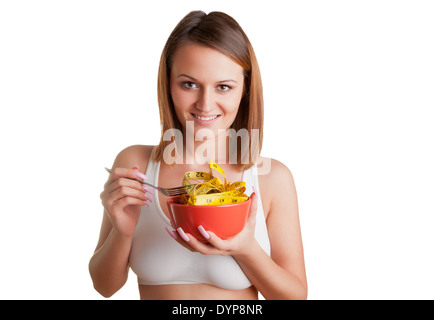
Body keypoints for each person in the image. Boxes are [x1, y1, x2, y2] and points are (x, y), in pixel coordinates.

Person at [89, 10, 307, 300]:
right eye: (189, 84)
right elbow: (105, 286)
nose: (205, 105)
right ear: (168, 84)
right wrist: (123, 232)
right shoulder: (136, 165)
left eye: (223, 87)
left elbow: (295, 296)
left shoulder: (271, 178)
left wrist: (245, 249)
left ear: (245, 90)